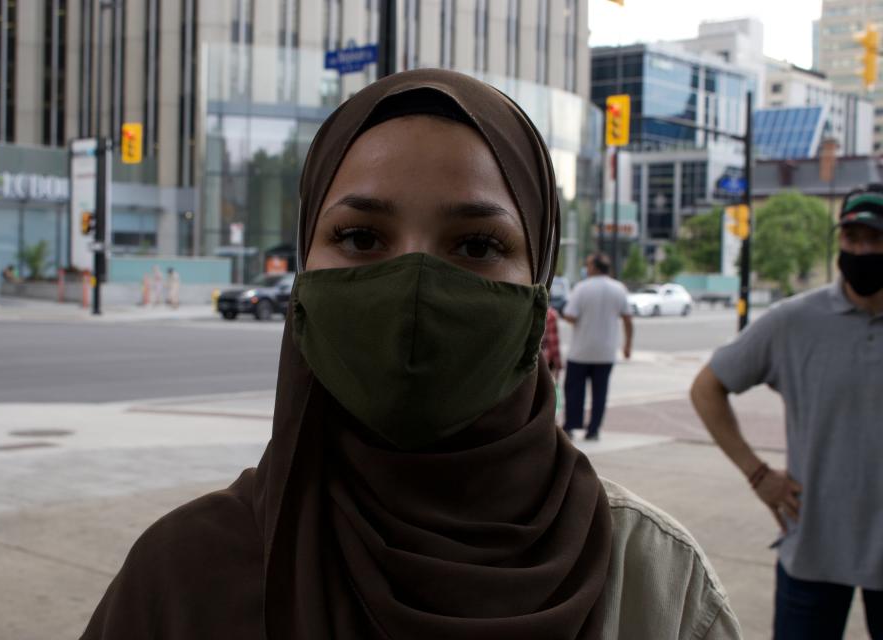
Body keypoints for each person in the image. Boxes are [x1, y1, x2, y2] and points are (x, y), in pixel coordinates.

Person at [81, 69, 740, 640]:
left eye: (478, 246)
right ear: (303, 268)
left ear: (538, 282)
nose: (416, 291)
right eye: (361, 236)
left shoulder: (657, 583)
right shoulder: (181, 574)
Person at [690, 185, 883, 640]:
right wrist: (757, 474)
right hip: (812, 550)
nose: (861, 249)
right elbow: (706, 389)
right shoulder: (794, 321)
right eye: (852, 238)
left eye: (874, 239)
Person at [561, 253, 633, 441]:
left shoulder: (582, 288)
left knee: (574, 390)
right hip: (606, 351)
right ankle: (593, 429)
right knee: (600, 392)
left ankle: (571, 425)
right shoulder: (619, 289)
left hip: (581, 350)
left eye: (588, 264)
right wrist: (627, 345)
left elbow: (570, 315)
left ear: (594, 267)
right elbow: (627, 319)